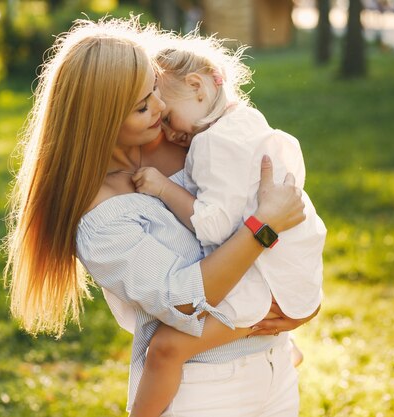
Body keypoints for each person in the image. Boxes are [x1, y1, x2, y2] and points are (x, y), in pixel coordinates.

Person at [3, 17, 316, 417]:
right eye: (142, 106)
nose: (161, 107)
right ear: (100, 121)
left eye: (154, 89)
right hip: (207, 388)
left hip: (276, 368)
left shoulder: (188, 137)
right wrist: (262, 229)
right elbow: (185, 303)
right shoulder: (100, 219)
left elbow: (281, 199)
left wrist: (305, 301)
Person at [128, 33, 327, 417]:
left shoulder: (211, 143)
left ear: (197, 86)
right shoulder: (247, 120)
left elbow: (214, 227)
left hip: (269, 271)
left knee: (166, 349)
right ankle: (284, 351)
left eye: (167, 116)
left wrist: (163, 188)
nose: (169, 133)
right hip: (296, 263)